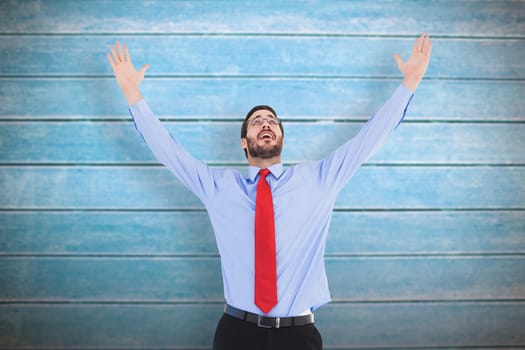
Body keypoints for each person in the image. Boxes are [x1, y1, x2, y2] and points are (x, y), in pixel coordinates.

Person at [106, 33, 432, 350]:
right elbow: (169, 151)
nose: (266, 123)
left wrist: (409, 84)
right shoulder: (218, 187)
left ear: (281, 139)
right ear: (244, 142)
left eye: (272, 120)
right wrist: (131, 92)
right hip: (236, 332)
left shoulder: (319, 179)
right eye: (257, 121)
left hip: (297, 334)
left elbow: (368, 139)